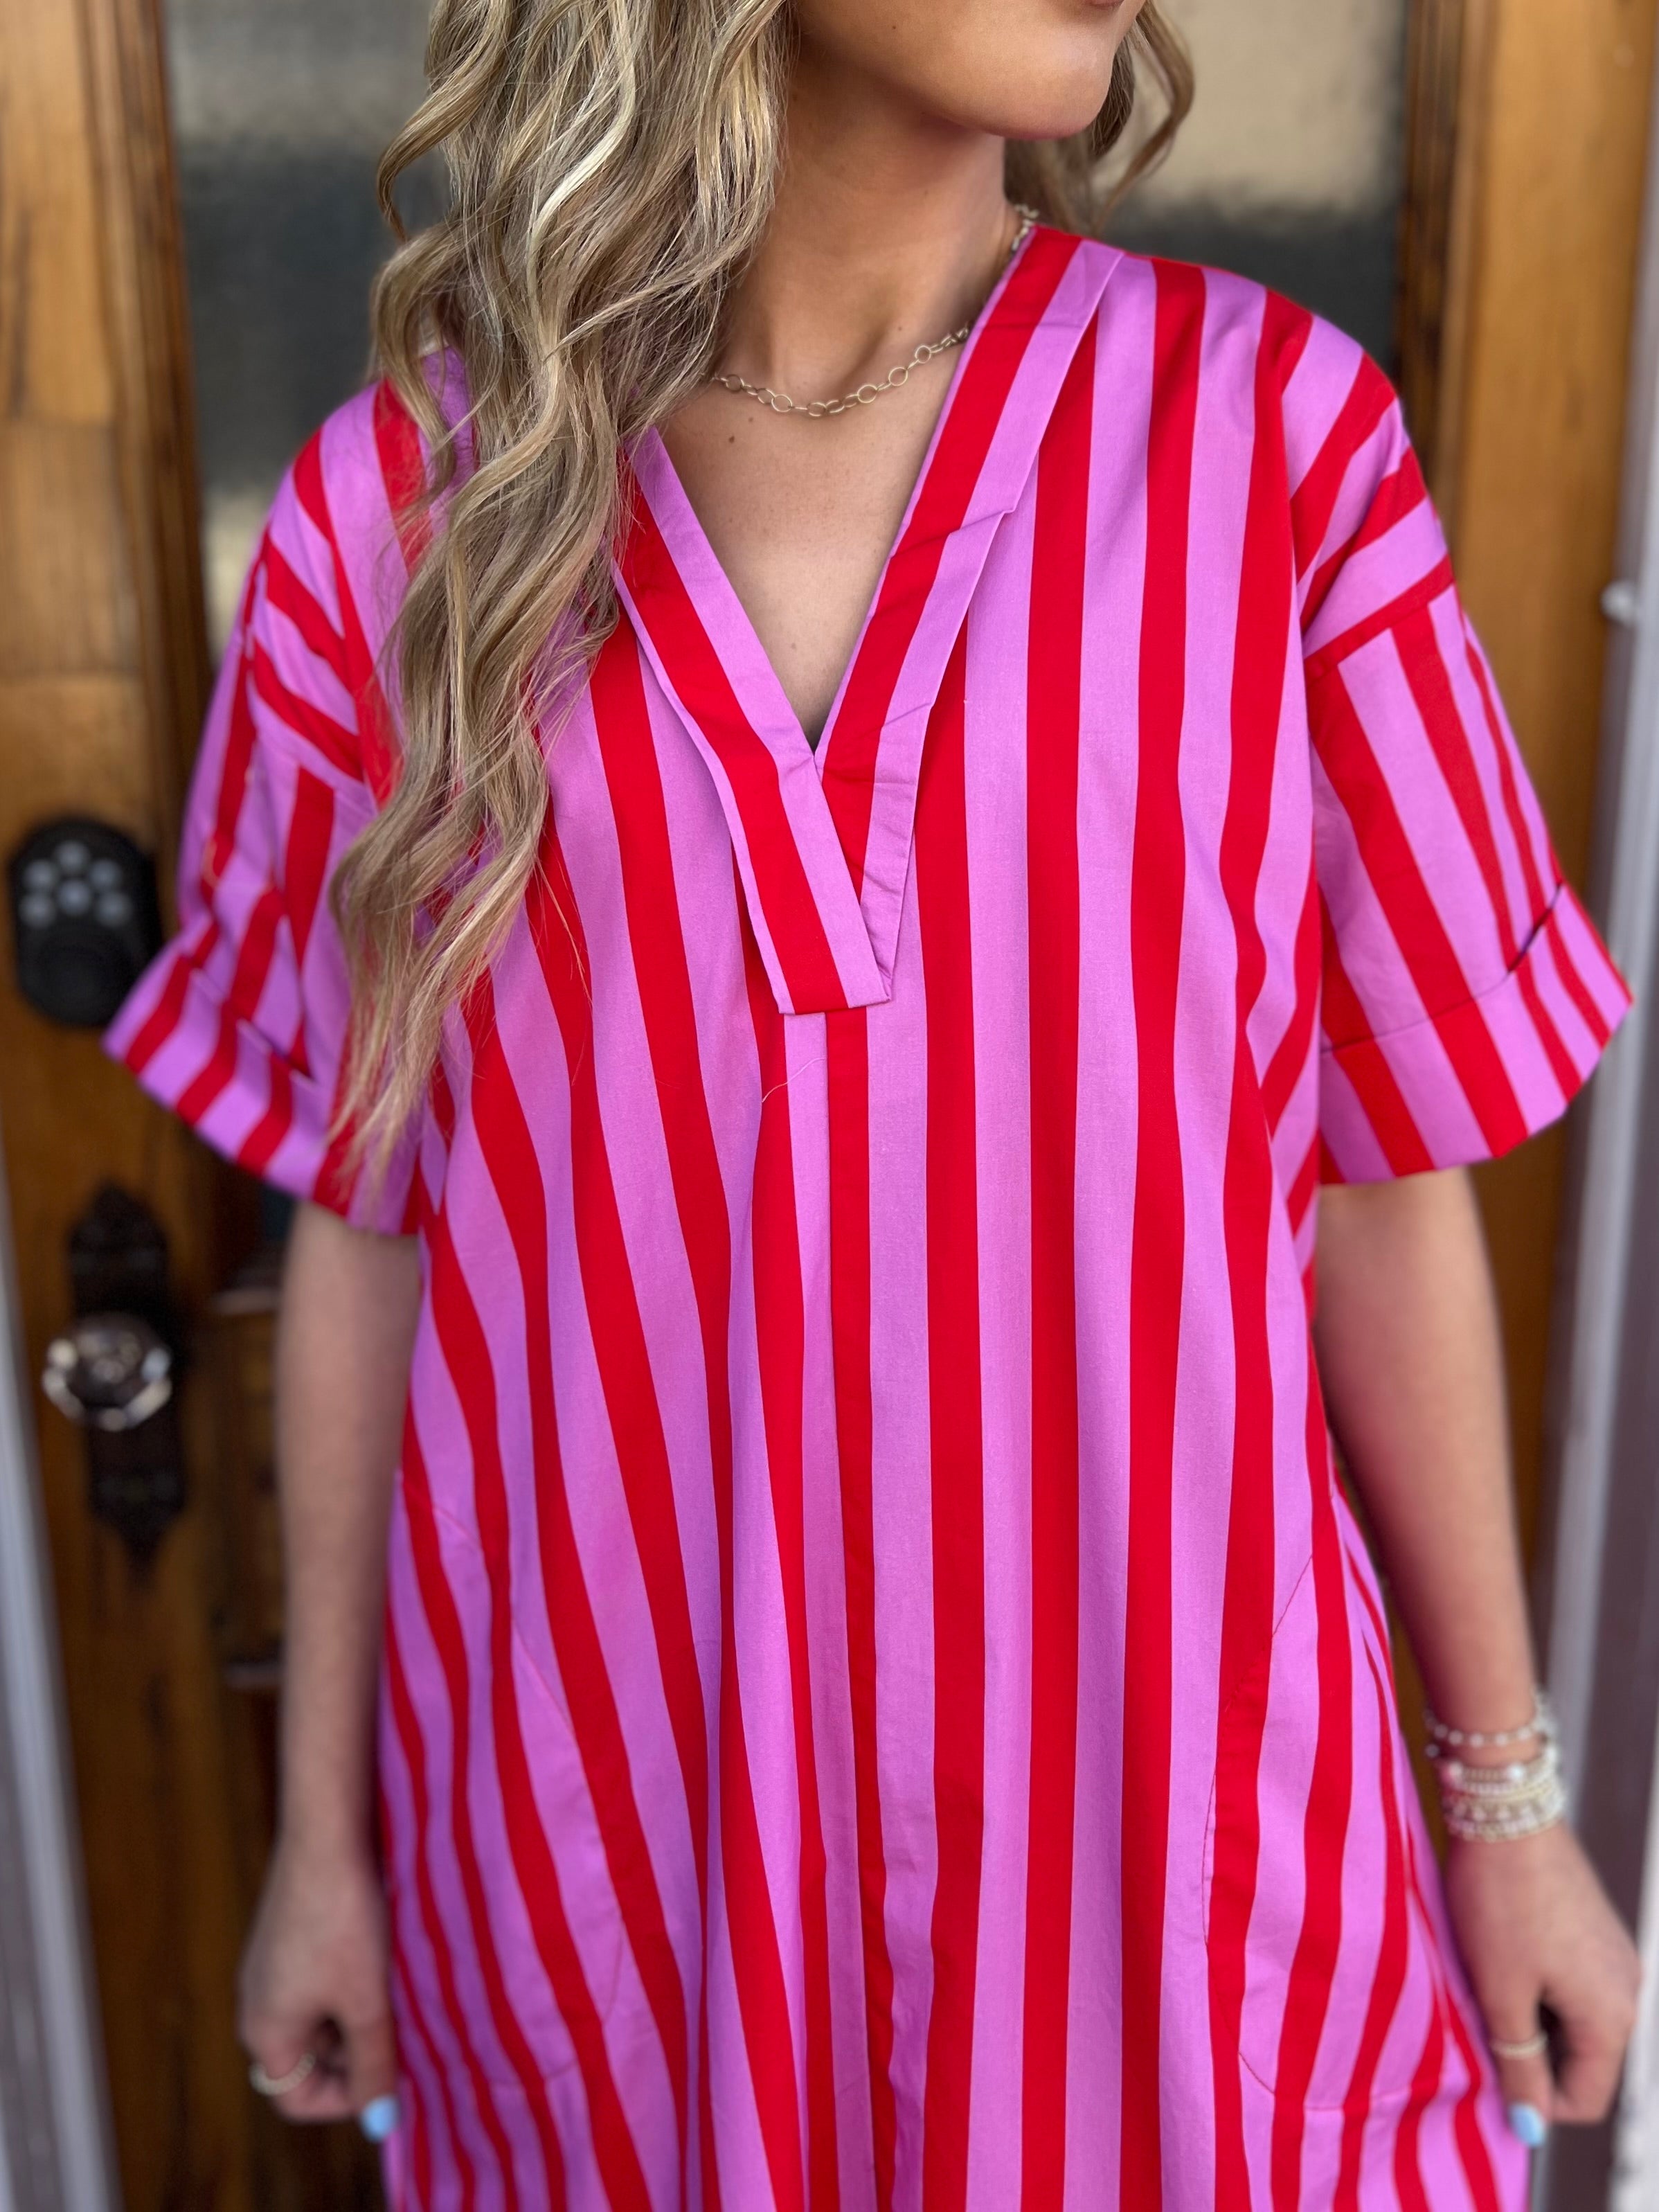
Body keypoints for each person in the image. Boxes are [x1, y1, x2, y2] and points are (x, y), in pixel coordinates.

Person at [107, 1, 1642, 2204]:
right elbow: (371, 1224)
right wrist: (323, 1842)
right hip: (610, 1858)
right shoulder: (406, 520)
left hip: (1171, 1868)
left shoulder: (1274, 448)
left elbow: (1379, 1187)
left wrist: (1503, 1811)